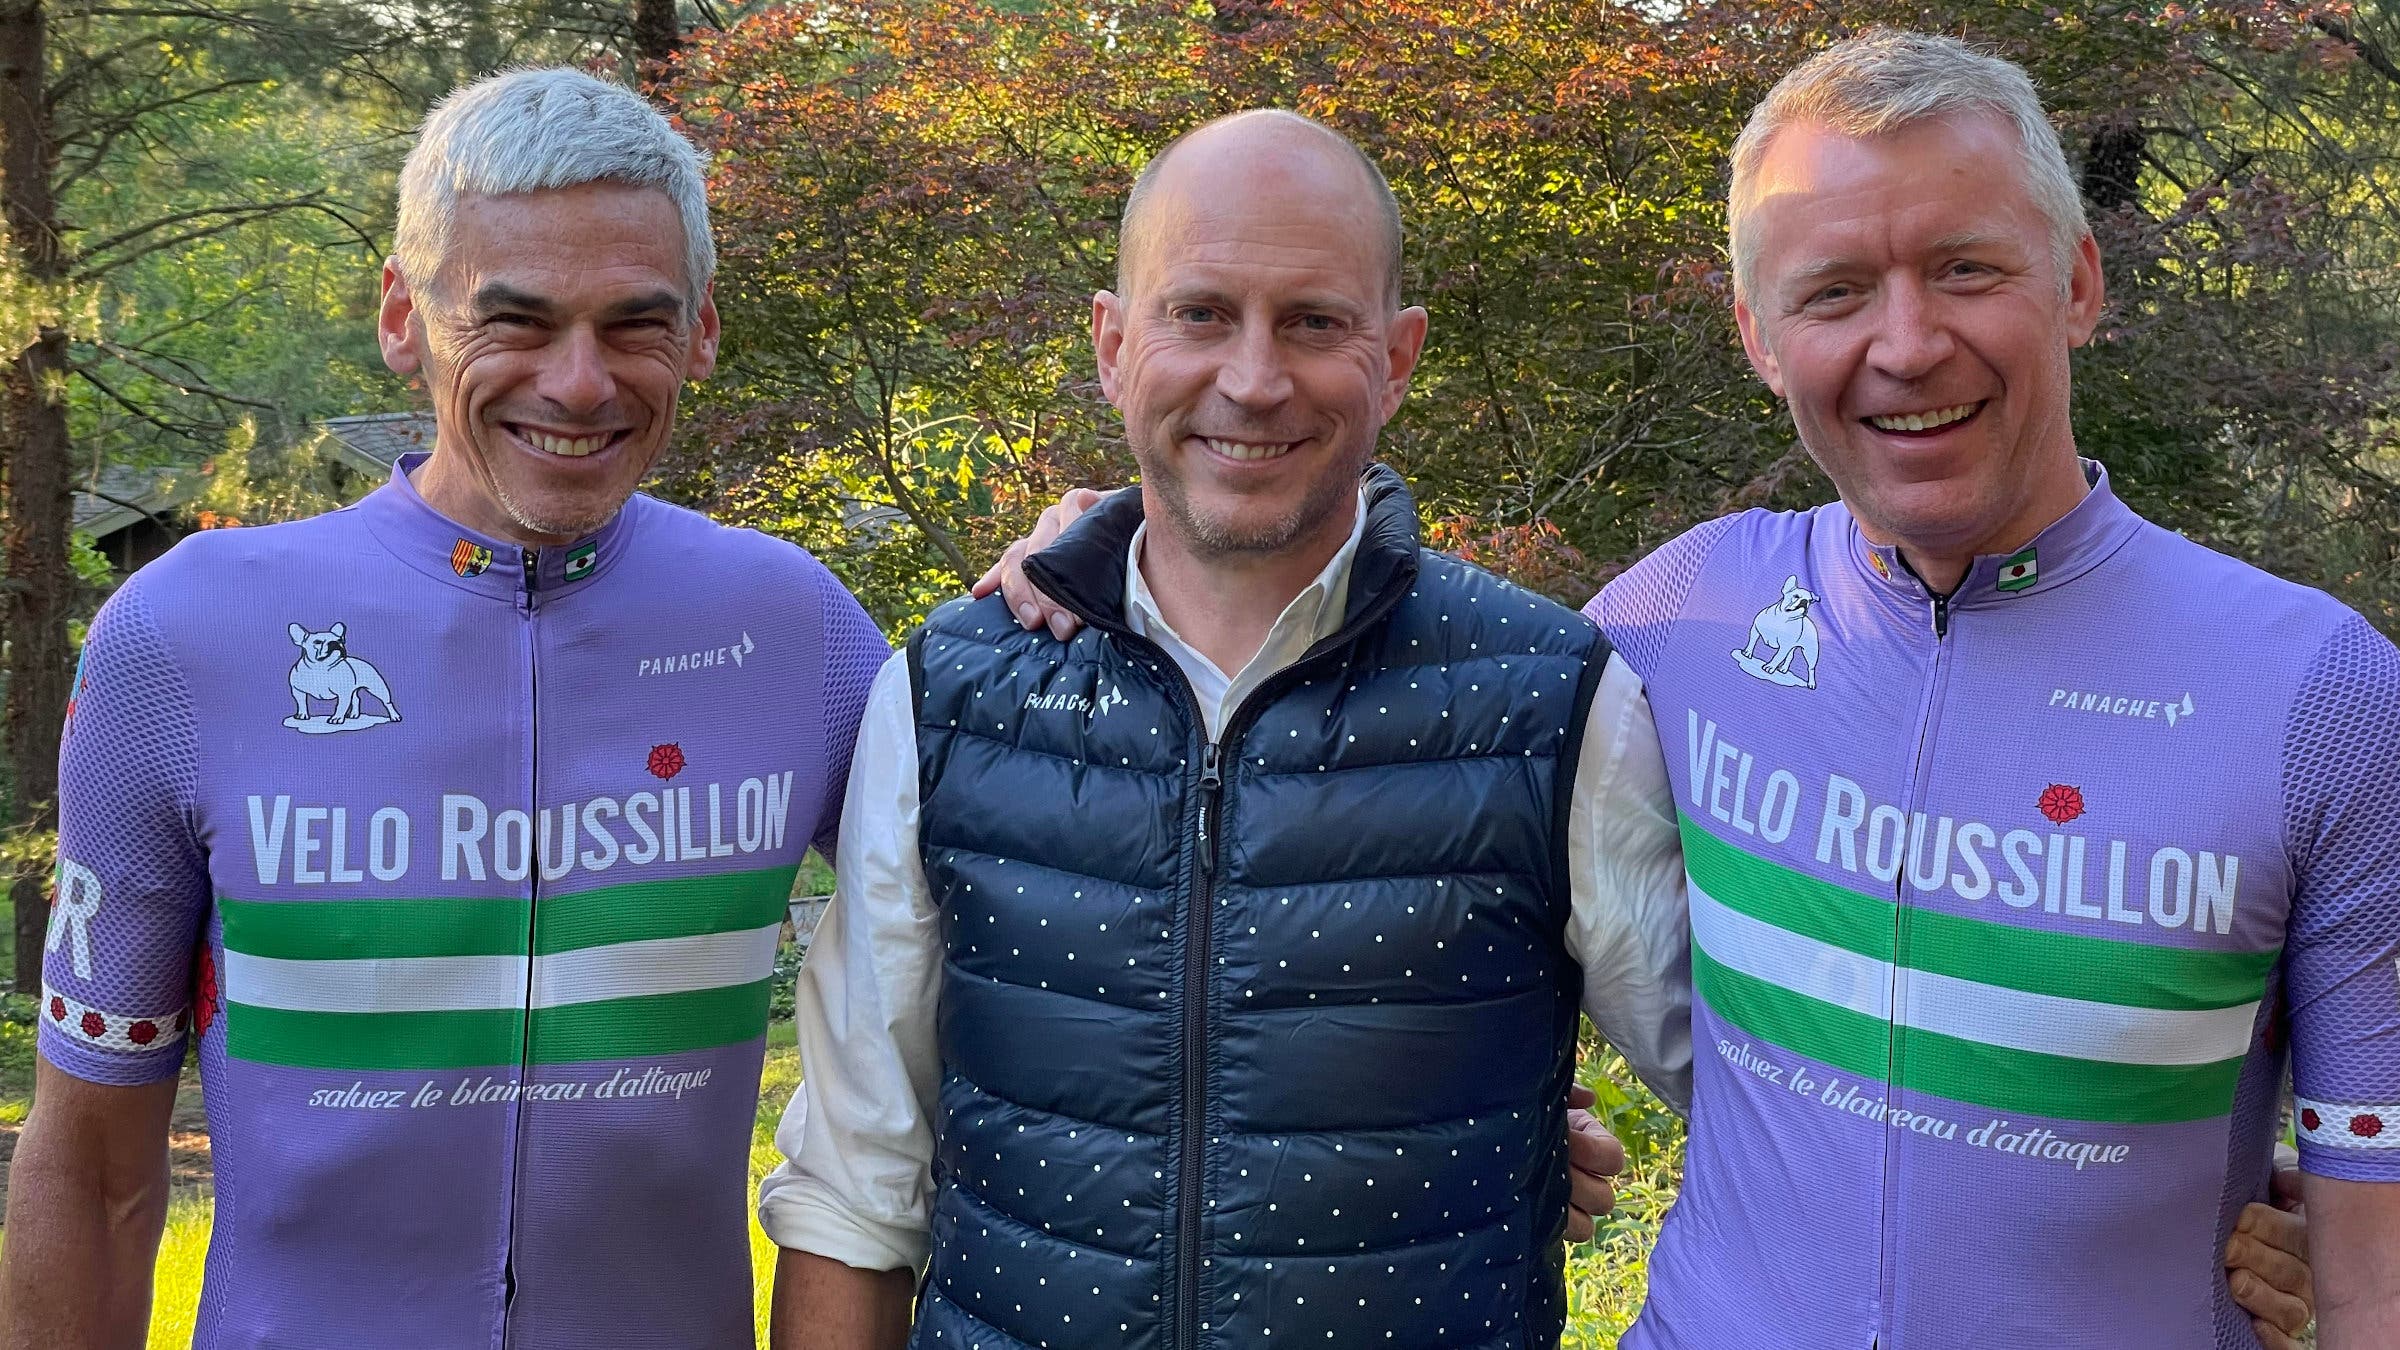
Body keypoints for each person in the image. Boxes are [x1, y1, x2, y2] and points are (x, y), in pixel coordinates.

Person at [977, 34, 2350, 1350]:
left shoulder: (2317, 695)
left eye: (1967, 268)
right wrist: (1111, 550)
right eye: (1834, 291)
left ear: (2080, 282)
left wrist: (2330, 1244)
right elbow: (1387, 710)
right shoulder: (1673, 621)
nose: (1908, 342)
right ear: (1759, 332)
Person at [756, 109, 1695, 1350]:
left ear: (1399, 358)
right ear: (1111, 343)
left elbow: (1777, 1106)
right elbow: (855, 1185)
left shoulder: (1556, 697)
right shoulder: (945, 692)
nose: (1253, 379)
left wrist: (1509, 1144)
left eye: (1314, 321)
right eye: (1200, 313)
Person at [0, 69, 889, 1349]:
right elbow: (90, 1167)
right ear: (403, 317)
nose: (579, 384)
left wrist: (1097, 577)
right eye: (513, 321)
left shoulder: (791, 625)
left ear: (699, 333)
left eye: (635, 325)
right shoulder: (187, 638)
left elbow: (1034, 889)